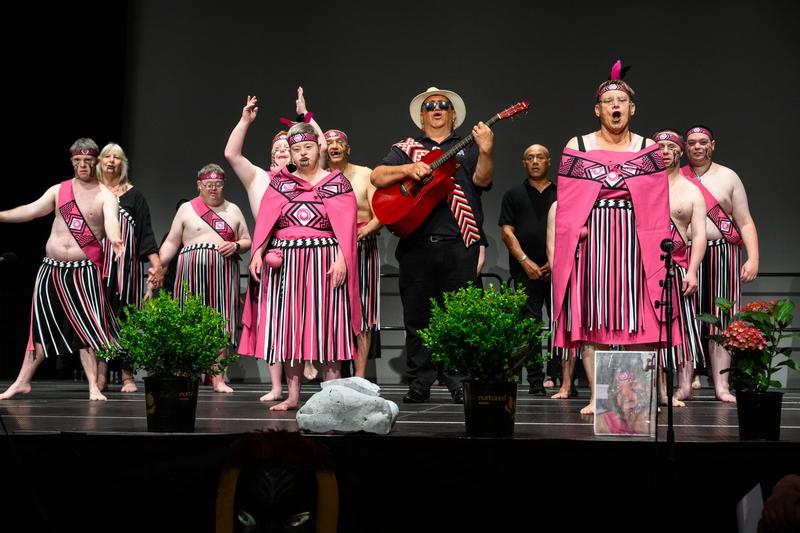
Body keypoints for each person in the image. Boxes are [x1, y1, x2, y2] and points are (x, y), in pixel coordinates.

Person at [550, 61, 678, 415]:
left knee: (643, 315)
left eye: (622, 101)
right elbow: (568, 206)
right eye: (609, 102)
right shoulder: (578, 145)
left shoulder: (648, 147)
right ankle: (598, 395)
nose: (616, 107)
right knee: (594, 316)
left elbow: (656, 203)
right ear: (598, 109)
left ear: (632, 109)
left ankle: (642, 394)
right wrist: (577, 233)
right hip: (594, 242)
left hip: (635, 242)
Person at [371, 86, 494, 404]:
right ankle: (420, 381)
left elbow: (482, 181)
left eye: (443, 105)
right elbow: (377, 177)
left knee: (457, 317)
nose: (437, 108)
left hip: (459, 242)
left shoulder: (467, 146)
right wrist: (408, 169)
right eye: (430, 106)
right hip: (416, 244)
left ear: (453, 116)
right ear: (421, 116)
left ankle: (457, 379)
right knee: (417, 317)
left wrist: (487, 150)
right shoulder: (406, 148)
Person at [239, 122, 361, 411]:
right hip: (287, 266)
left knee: (330, 327)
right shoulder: (280, 184)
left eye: (307, 147)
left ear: (317, 148)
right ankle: (293, 397)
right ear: (291, 154)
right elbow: (267, 223)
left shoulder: (337, 183)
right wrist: (257, 253)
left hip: (326, 263)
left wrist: (343, 259)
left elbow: (347, 228)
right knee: (290, 329)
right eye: (296, 150)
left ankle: (333, 395)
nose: (303, 154)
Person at [0, 138, 123, 401]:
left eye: (87, 162)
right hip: (51, 269)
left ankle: (92, 386)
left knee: (87, 327)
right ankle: (21, 382)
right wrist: (2, 215)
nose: (82, 166)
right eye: (77, 161)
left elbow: (112, 221)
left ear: (96, 162)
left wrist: (115, 239)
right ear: (72, 162)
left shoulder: (105, 195)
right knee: (40, 327)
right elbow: (32, 211)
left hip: (84, 270)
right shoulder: (59, 190)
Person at [225, 88, 325, 401]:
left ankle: (313, 373)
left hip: (305, 253)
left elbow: (320, 145)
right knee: (274, 320)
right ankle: (277, 387)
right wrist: (244, 121)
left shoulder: (308, 177)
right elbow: (231, 155)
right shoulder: (260, 179)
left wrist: (304, 117)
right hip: (270, 255)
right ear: (271, 155)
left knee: (309, 315)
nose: (284, 152)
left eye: (289, 148)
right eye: (278, 148)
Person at [681, 125, 759, 403]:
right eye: (692, 143)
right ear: (685, 147)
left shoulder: (729, 177)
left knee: (722, 321)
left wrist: (753, 257)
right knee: (685, 318)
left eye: (703, 142)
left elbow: (745, 220)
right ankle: (684, 384)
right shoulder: (677, 177)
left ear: (713, 144)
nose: (698, 147)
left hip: (723, 252)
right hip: (686, 254)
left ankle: (722, 386)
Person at [158, 164, 251, 393]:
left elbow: (247, 239)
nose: (213, 189)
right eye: (208, 185)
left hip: (223, 273)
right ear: (199, 185)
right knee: (187, 322)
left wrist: (237, 245)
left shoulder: (233, 210)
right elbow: (172, 241)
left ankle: (218, 379)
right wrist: (159, 266)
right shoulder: (187, 209)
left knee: (221, 323)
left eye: (218, 185)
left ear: (223, 185)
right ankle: (186, 374)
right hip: (190, 274)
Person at [95, 142, 163, 393]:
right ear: (100, 162)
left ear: (123, 164)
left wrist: (156, 267)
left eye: (117, 157)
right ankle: (100, 377)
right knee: (100, 321)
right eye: (107, 156)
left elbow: (146, 236)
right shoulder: (92, 192)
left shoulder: (135, 196)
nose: (112, 160)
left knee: (129, 323)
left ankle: (127, 376)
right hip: (98, 269)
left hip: (128, 272)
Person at [653, 129, 707, 406]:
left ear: (680, 152)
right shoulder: (644, 185)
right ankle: (656, 390)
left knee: (675, 328)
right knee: (649, 329)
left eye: (670, 147)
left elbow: (698, 236)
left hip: (677, 267)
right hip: (646, 268)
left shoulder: (691, 191)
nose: (664, 151)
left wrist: (693, 270)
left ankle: (672, 388)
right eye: (659, 146)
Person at [499, 144, 558, 395]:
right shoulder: (513, 194)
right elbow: (506, 231)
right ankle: (535, 381)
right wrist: (525, 261)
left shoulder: (562, 193)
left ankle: (558, 377)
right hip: (525, 271)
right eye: (530, 158)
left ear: (548, 162)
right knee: (529, 326)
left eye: (540, 157)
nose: (535, 161)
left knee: (559, 323)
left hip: (557, 269)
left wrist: (554, 263)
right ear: (524, 164)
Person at [325, 128, 382, 380]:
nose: (334, 146)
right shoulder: (319, 177)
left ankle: (359, 375)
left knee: (364, 309)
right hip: (329, 249)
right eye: (329, 143)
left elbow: (382, 212)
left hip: (362, 245)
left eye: (340, 142)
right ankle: (333, 374)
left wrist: (366, 230)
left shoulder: (365, 174)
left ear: (348, 149)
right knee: (329, 310)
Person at [594, 357, 653, 435]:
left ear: (647, 389)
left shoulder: (651, 421)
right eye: (618, 388)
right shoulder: (603, 422)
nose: (625, 393)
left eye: (632, 385)